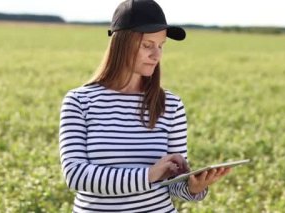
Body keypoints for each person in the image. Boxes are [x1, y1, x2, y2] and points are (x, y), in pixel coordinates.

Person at [59, 0, 231, 212]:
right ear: (121, 43)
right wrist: (149, 174)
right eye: (147, 45)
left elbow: (173, 184)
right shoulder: (79, 101)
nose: (156, 55)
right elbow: (76, 176)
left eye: (160, 46)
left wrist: (193, 187)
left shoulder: (171, 105)